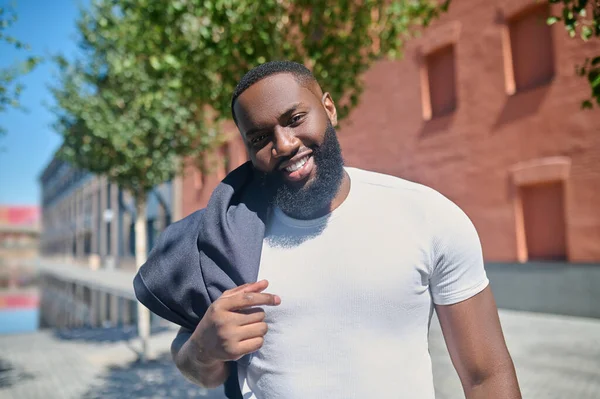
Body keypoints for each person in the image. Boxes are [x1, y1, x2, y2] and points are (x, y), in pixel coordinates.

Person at [134, 60, 521, 398]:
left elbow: (486, 375)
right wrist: (202, 348)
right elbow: (200, 367)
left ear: (329, 108)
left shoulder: (427, 215)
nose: (284, 144)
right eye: (260, 137)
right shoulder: (228, 240)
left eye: (295, 119)